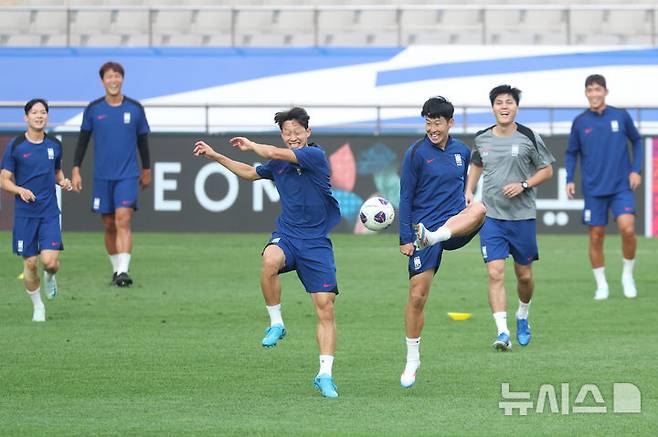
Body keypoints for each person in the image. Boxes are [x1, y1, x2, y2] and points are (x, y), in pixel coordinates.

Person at [193, 107, 341, 398]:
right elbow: (250, 172)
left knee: (325, 307)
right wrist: (215, 156)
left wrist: (252, 145)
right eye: (288, 133)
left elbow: (273, 154)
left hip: (316, 243)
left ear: (307, 133)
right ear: (283, 135)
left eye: (298, 132)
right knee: (269, 260)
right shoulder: (278, 162)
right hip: (288, 235)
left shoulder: (315, 156)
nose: (293, 137)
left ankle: (325, 374)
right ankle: (276, 323)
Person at [399, 96, 487, 388]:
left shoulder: (462, 151)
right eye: (428, 121)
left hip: (451, 227)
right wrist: (405, 238)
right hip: (423, 233)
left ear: (450, 123)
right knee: (417, 297)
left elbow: (467, 186)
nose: (432, 127)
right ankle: (412, 360)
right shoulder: (414, 154)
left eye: (437, 122)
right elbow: (406, 197)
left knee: (480, 209)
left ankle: (438, 235)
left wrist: (467, 193)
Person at [464, 85, 554, 352]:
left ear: (516, 107)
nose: (504, 107)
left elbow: (547, 169)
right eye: (499, 102)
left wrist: (524, 185)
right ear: (492, 107)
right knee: (495, 272)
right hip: (491, 217)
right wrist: (469, 189)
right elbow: (477, 164)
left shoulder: (528, 136)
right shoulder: (481, 138)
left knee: (524, 276)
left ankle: (523, 315)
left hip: (522, 217)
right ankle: (502, 332)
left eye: (509, 102)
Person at [71, 61, 151, 287]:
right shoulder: (94, 109)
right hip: (102, 177)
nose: (113, 80)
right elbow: (82, 142)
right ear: (102, 81)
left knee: (123, 219)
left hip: (127, 175)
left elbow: (143, 141)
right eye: (109, 77)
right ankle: (117, 270)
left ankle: (124, 271)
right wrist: (76, 169)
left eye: (117, 76)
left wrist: (146, 169)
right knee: (108, 224)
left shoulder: (135, 109)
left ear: (122, 79)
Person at [566, 74, 642, 300]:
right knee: (596, 235)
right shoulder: (580, 122)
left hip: (621, 187)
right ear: (586, 94)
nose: (594, 94)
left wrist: (635, 169)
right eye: (589, 90)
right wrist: (570, 178)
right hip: (593, 189)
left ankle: (627, 276)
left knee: (628, 229)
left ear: (605, 92)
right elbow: (571, 152)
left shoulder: (620, 116)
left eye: (598, 89)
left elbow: (637, 141)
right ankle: (602, 285)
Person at [1, 98, 73, 322]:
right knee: (30, 263)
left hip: (49, 212)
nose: (39, 116)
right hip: (25, 215)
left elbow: (57, 172)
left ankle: (50, 277)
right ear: (26, 117)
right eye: (35, 112)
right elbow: (4, 180)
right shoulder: (15, 146)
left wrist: (63, 182)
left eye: (43, 112)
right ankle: (38, 306)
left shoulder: (54, 145)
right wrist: (19, 190)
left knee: (50, 262)